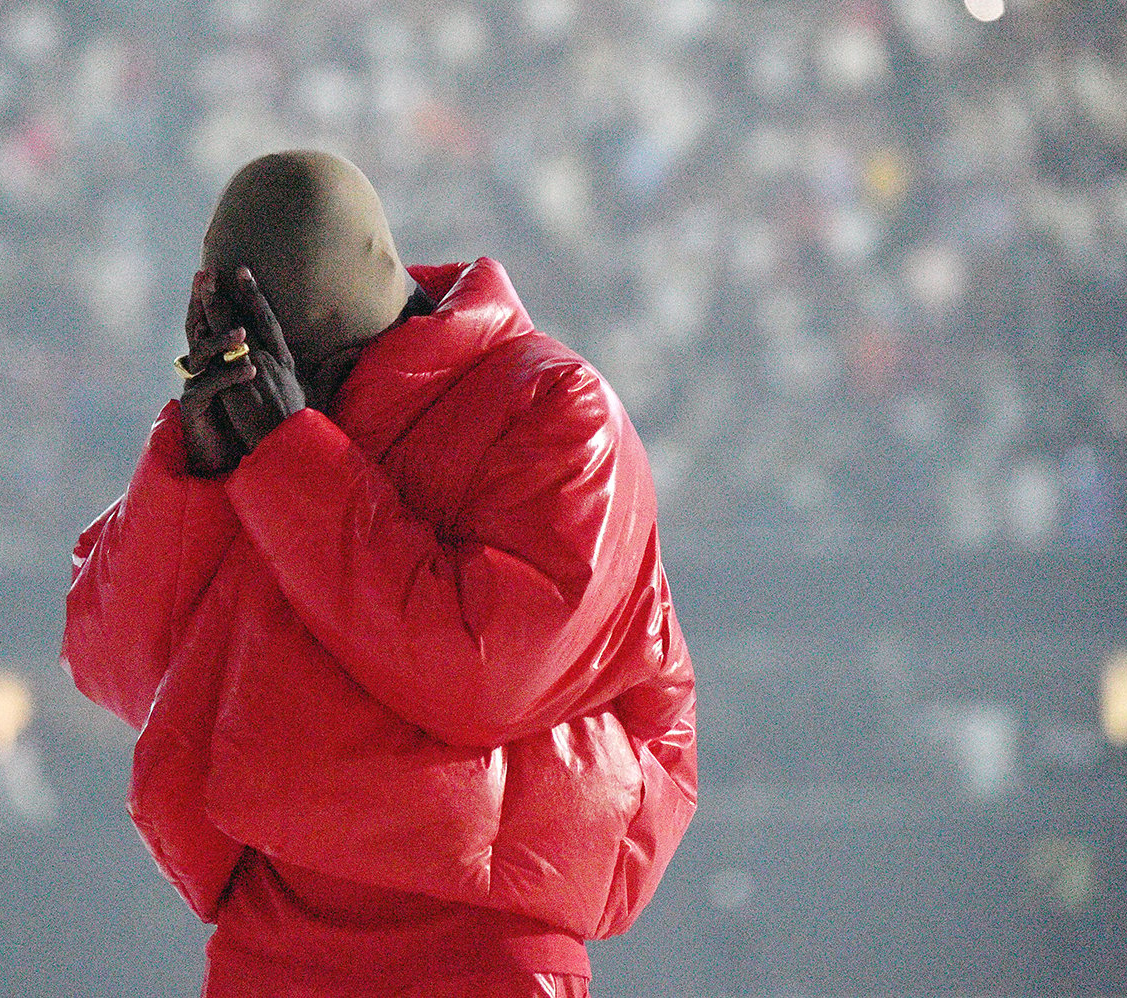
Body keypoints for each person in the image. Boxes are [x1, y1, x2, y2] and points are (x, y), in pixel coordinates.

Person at [62, 150, 697, 998]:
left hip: (480, 957)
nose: (288, 398)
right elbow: (112, 669)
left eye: (310, 373)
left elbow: (480, 674)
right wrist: (200, 475)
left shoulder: (557, 410)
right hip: (268, 948)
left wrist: (293, 456)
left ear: (347, 332)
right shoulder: (257, 423)